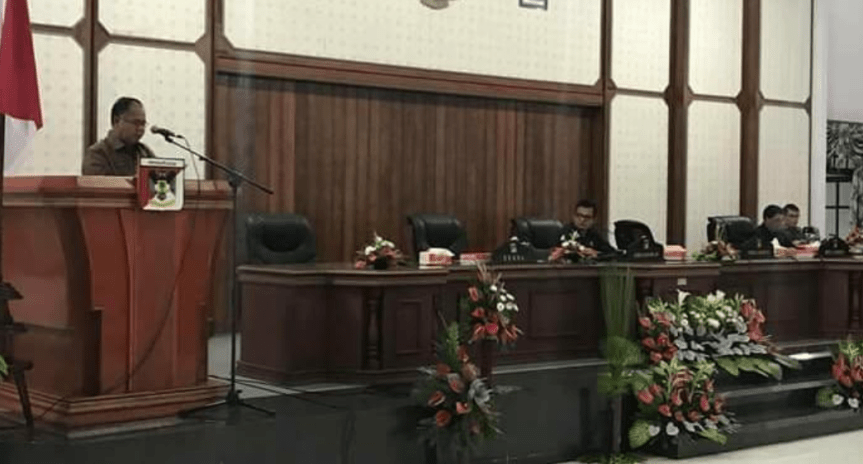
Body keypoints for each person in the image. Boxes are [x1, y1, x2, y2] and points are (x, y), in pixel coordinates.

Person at [82, 97, 154, 176]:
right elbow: (98, 183)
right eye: (136, 123)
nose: (140, 128)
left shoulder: (144, 152)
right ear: (116, 121)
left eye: (143, 124)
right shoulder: (97, 154)